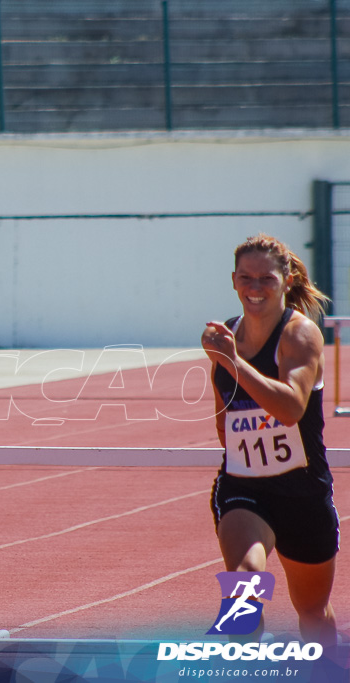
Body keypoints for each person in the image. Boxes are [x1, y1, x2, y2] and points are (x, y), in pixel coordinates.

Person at [201, 234, 338, 649]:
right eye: (245, 278)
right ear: (233, 279)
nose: (254, 288)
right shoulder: (226, 334)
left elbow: (292, 408)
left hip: (302, 490)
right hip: (244, 486)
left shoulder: (300, 335)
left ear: (287, 279)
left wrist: (234, 360)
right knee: (243, 588)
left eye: (266, 279)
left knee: (312, 611)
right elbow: (223, 407)